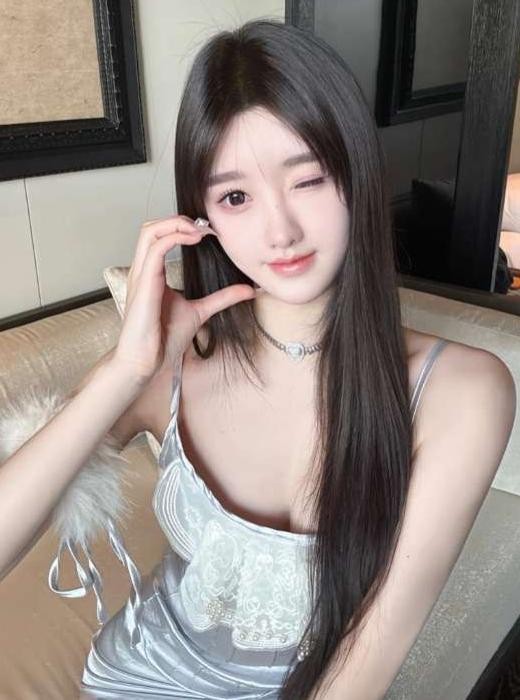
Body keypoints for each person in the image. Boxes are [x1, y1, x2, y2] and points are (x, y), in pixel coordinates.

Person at [0, 17, 516, 700]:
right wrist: (124, 370)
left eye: (309, 179)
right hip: (137, 677)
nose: (280, 231)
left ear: (357, 174)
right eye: (236, 196)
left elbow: (371, 652)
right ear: (202, 217)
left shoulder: (462, 390)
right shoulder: (173, 366)